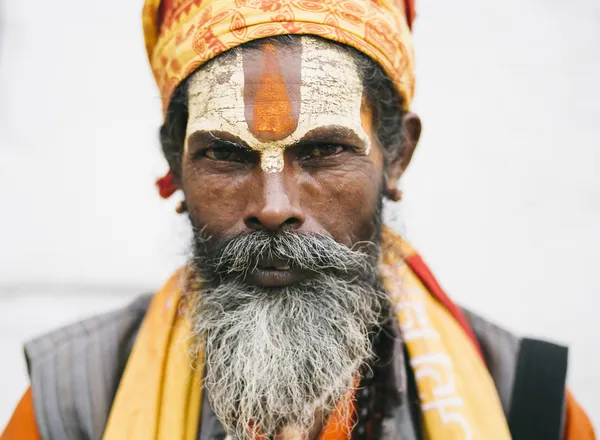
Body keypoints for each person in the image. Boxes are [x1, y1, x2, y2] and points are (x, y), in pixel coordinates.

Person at [1, 1, 595, 439]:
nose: (275, 204)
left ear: (397, 155)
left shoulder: (527, 404)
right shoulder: (72, 407)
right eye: (226, 154)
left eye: (323, 150)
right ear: (174, 165)